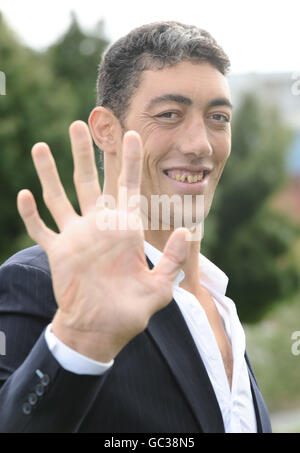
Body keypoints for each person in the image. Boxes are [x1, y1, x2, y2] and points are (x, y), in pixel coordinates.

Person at [0, 21, 271, 433]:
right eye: (169, 115)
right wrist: (80, 339)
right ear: (106, 129)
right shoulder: (41, 283)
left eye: (218, 117)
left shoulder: (222, 306)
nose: (201, 143)